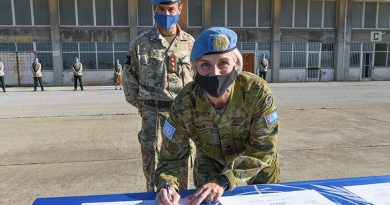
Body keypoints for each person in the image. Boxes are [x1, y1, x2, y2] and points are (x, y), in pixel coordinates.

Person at [154, 27, 280, 205]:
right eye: (205, 64)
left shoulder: (257, 92)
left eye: (223, 63)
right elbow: (171, 158)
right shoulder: (184, 103)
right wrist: (168, 186)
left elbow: (264, 149)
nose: (215, 72)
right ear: (194, 68)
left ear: (236, 64)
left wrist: (224, 180)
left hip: (257, 173)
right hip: (209, 171)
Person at [122, 0, 194, 192]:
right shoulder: (140, 43)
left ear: (180, 9)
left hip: (182, 118)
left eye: (171, 9)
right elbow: (129, 82)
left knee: (182, 166)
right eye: (161, 9)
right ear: (154, 10)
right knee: (153, 166)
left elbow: (198, 84)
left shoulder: (191, 44)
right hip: (152, 116)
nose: (166, 14)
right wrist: (146, 108)